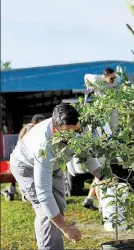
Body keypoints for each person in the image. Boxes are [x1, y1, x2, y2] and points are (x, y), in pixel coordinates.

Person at [10, 104, 106, 249]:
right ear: (56, 130)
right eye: (69, 133)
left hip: (55, 164)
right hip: (26, 166)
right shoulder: (44, 147)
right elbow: (44, 195)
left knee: (58, 207)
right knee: (45, 211)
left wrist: (102, 177)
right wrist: (66, 229)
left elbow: (86, 153)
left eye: (78, 130)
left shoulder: (79, 126)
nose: (76, 137)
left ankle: (50, 239)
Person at [82, 68, 121, 211]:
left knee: (102, 173)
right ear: (104, 77)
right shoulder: (97, 79)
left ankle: (89, 199)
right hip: (104, 115)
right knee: (102, 175)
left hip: (110, 115)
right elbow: (86, 75)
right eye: (110, 78)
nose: (112, 80)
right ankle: (102, 207)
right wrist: (89, 86)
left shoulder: (117, 80)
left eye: (113, 78)